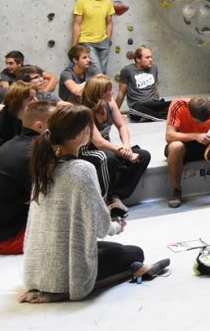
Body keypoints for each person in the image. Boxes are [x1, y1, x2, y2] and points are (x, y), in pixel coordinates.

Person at [20, 105, 169, 303]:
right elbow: (100, 227)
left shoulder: (43, 166)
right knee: (135, 253)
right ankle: (63, 291)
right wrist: (117, 226)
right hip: (64, 272)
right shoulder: (82, 169)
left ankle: (50, 286)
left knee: (106, 249)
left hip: (37, 268)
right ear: (79, 134)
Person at [0, 100, 55, 254]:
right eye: (58, 121)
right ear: (40, 127)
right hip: (7, 240)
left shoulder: (17, 144)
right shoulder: (32, 153)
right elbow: (47, 201)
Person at [81, 75, 151, 214]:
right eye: (109, 90)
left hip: (108, 149)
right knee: (108, 158)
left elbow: (122, 126)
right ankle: (107, 199)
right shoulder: (85, 111)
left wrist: (126, 146)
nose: (112, 92)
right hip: (87, 151)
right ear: (100, 93)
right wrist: (122, 152)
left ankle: (117, 194)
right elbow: (98, 142)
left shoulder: (110, 102)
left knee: (143, 155)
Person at [164, 97, 210, 208]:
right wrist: (195, 136)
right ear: (190, 113)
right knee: (176, 146)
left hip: (203, 144)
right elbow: (169, 136)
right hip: (182, 144)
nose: (203, 123)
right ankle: (176, 190)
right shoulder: (178, 105)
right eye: (199, 121)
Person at [71, 0, 115, 74]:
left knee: (101, 73)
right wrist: (74, 46)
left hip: (103, 42)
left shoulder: (107, 2)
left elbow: (109, 23)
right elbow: (77, 24)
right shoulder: (81, 2)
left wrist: (107, 40)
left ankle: (92, 89)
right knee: (98, 73)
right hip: (87, 42)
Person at [115, 46, 171, 122]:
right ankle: (162, 117)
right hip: (138, 106)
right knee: (136, 110)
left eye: (151, 57)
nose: (151, 60)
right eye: (147, 57)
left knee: (174, 104)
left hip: (152, 104)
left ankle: (150, 117)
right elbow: (121, 93)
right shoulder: (127, 70)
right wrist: (114, 113)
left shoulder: (154, 68)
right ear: (138, 59)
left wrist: (157, 103)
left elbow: (155, 88)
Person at [0, 80, 35, 150]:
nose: (36, 100)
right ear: (17, 102)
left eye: (35, 97)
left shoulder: (28, 115)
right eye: (31, 98)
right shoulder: (2, 123)